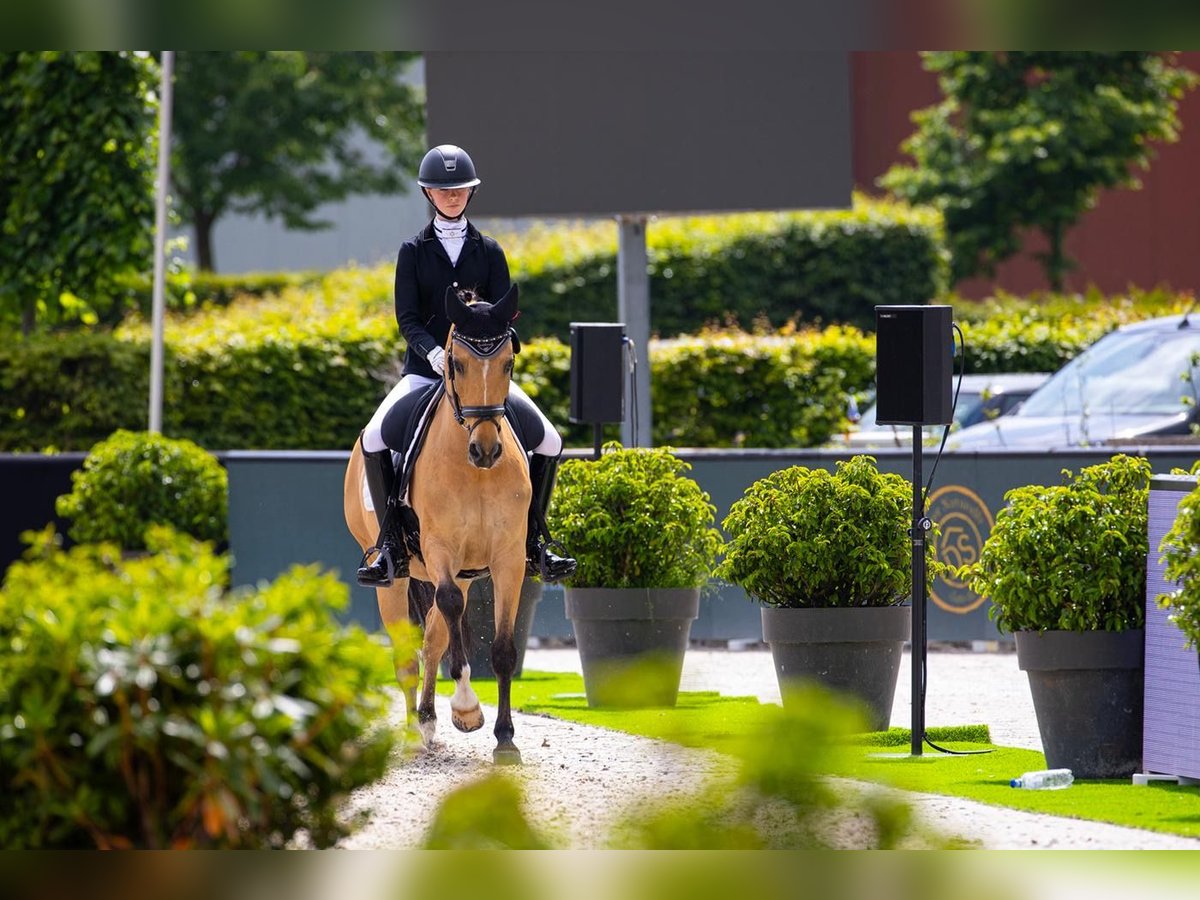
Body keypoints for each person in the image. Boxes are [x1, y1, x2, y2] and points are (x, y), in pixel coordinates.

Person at [356, 143, 576, 588]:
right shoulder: (413, 252)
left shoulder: (489, 251)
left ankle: (537, 540)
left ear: (470, 194)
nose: (451, 196)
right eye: (443, 190)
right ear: (428, 194)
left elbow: (502, 316)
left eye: (459, 189)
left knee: (550, 440)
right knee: (376, 437)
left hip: (481, 379)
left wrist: (495, 354)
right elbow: (408, 318)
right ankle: (390, 545)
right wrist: (434, 353)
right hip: (425, 371)